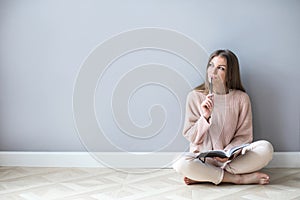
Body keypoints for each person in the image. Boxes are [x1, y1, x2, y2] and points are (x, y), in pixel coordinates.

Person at [173, 49, 273, 185]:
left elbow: (244, 136)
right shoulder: (194, 96)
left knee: (266, 148)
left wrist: (227, 154)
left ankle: (208, 175)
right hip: (203, 160)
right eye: (211, 65)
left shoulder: (241, 98)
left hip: (232, 161)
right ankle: (238, 179)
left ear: (230, 75)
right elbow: (191, 136)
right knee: (180, 164)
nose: (213, 72)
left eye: (220, 68)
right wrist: (205, 117)